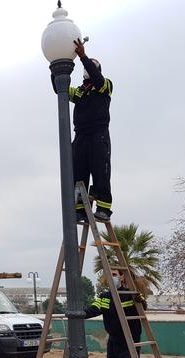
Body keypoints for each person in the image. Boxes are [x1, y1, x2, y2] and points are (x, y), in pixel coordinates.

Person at [69, 38, 114, 222]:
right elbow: (60, 89)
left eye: (92, 66)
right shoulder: (80, 91)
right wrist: (56, 65)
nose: (88, 68)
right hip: (80, 135)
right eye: (87, 66)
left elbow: (97, 77)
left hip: (98, 134)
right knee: (78, 172)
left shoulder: (104, 85)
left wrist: (84, 57)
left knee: (100, 170)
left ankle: (104, 208)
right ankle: (80, 210)